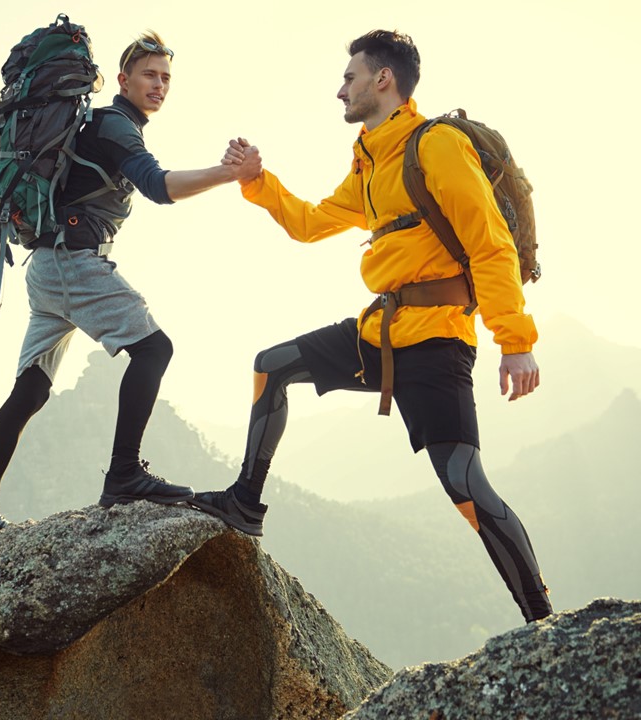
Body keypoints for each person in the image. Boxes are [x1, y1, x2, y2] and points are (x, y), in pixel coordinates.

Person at [195, 30, 552, 623]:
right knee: (272, 366)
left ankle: (542, 620)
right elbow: (310, 222)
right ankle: (244, 505)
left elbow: (490, 244)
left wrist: (514, 342)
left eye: (350, 77)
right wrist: (257, 181)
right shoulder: (370, 159)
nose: (341, 90)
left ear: (382, 79)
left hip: (437, 340)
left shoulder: (435, 145)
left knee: (463, 484)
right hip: (380, 333)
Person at [0, 32, 262, 544]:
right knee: (154, 349)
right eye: (150, 75)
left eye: (166, 78)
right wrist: (227, 173)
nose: (159, 85)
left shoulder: (106, 124)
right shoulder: (115, 125)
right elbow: (158, 186)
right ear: (123, 80)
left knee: (30, 390)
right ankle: (124, 473)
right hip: (72, 263)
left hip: (47, 268)